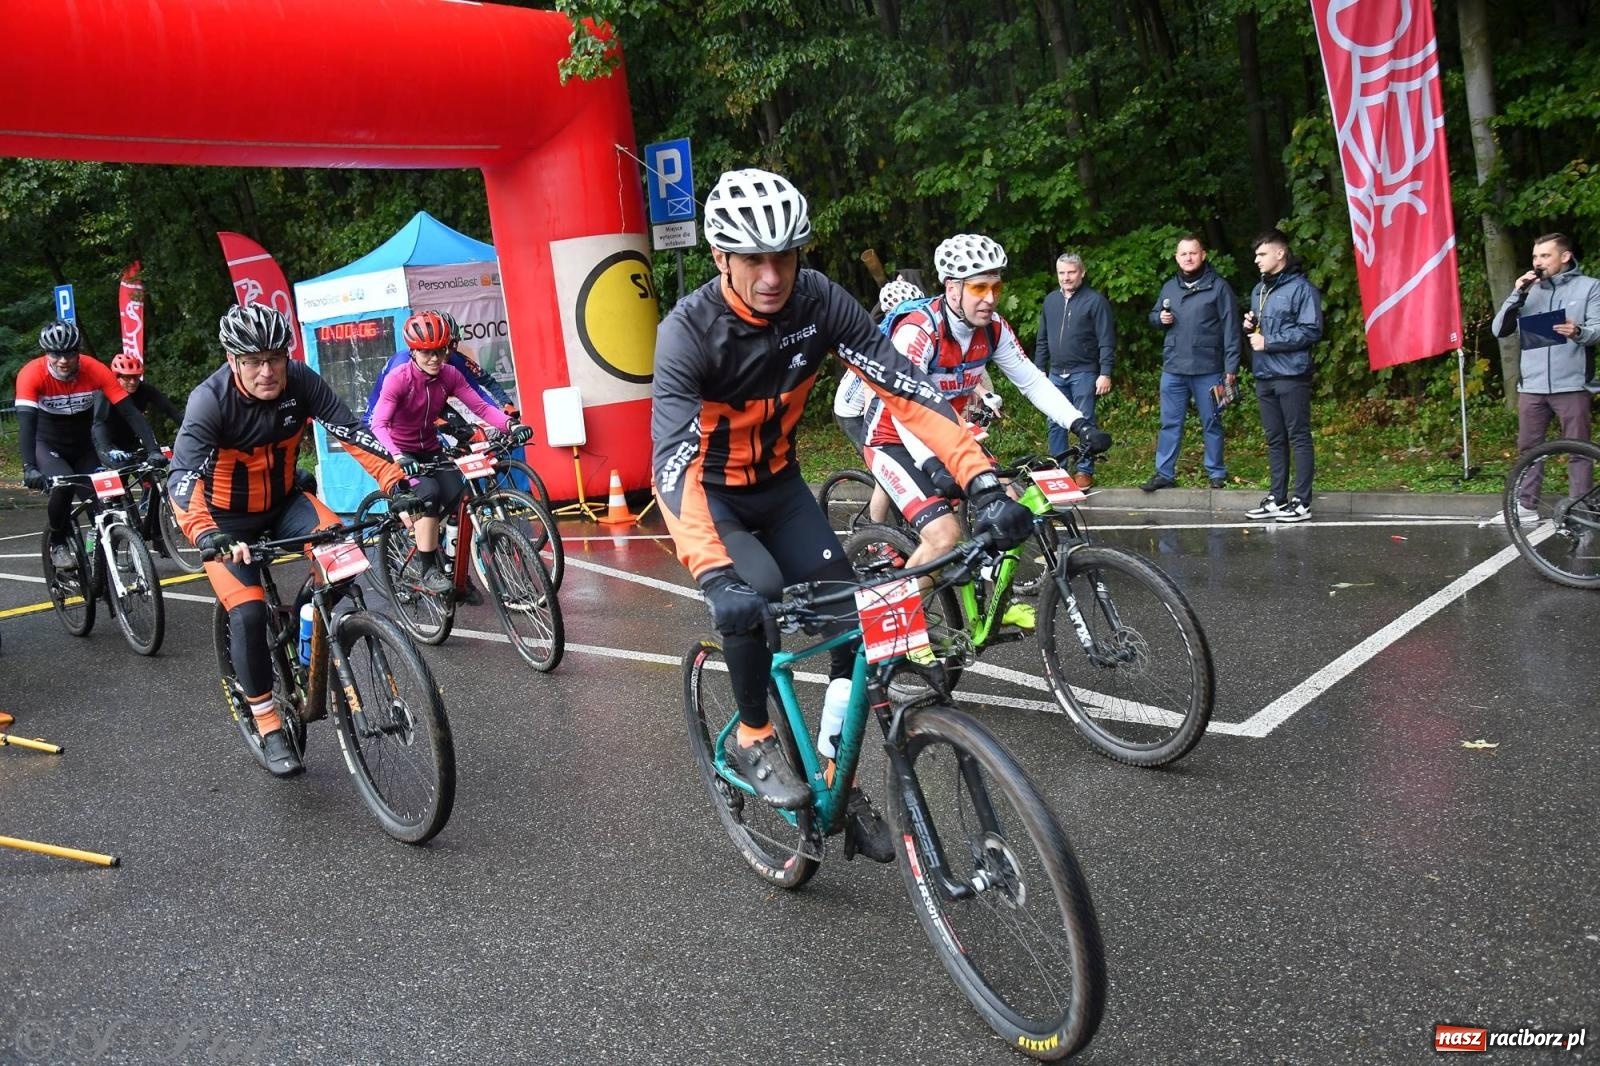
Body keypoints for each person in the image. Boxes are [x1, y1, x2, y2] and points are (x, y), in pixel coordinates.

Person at [652, 168, 1034, 855]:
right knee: (757, 596)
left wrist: (980, 483)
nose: (773, 275)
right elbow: (672, 464)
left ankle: (836, 775)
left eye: (786, 256)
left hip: (782, 488)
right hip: (715, 499)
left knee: (850, 622)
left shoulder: (819, 301)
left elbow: (905, 388)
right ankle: (752, 736)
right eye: (754, 260)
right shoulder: (689, 332)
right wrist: (713, 574)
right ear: (720, 259)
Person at [170, 304, 410, 778]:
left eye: (275, 359)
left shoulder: (300, 381)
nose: (267, 371)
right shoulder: (210, 400)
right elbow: (182, 477)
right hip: (225, 521)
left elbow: (350, 431)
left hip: (284, 504)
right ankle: (267, 722)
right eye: (254, 361)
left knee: (344, 567)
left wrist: (397, 484)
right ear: (232, 359)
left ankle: (305, 630)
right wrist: (205, 533)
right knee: (249, 610)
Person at [858, 234, 1108, 578]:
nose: (990, 299)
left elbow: (1031, 381)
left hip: (947, 433)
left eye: (996, 288)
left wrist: (1079, 423)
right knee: (944, 536)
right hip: (894, 437)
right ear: (952, 288)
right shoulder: (918, 332)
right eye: (979, 288)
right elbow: (905, 409)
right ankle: (889, 625)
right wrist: (932, 464)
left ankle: (988, 609)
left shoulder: (993, 329)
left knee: (1009, 503)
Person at [368, 309, 529, 594]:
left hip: (429, 446)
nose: (434, 358)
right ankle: (428, 567)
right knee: (428, 494)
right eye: (426, 352)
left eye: (440, 351)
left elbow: (480, 406)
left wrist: (510, 426)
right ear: (413, 351)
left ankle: (453, 568)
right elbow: (378, 424)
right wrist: (398, 456)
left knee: (459, 492)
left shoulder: (450, 373)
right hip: (399, 449)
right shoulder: (399, 377)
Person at [15, 320, 167, 570]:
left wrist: (153, 449)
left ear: (78, 352)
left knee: (106, 498)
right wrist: (29, 466)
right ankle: (58, 540)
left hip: (85, 446)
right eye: (56, 354)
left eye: (70, 353)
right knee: (63, 484)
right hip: (48, 444)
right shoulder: (31, 374)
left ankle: (104, 557)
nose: (63, 360)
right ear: (46, 354)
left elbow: (131, 413)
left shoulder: (94, 369)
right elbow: (27, 426)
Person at [1490, 232, 1600, 523]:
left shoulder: (1589, 287)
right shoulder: (1529, 291)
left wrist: (1578, 332)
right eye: (1536, 256)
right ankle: (1525, 506)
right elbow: (1499, 330)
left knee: (1578, 449)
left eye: (1545, 256)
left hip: (1572, 384)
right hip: (1533, 386)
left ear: (1564, 257)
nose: (1538, 262)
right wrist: (1518, 293)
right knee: (1529, 448)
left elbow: (1597, 330)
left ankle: (1580, 508)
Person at [1144, 235, 1242, 492]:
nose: (1188, 258)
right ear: (1176, 258)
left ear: (1203, 255)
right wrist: (1159, 319)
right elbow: (1154, 316)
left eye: (1193, 253)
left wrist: (1231, 368)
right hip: (1173, 368)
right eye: (1183, 254)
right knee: (1169, 423)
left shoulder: (1219, 287)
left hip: (1209, 369)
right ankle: (1164, 473)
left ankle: (1216, 472)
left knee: (1212, 421)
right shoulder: (1169, 287)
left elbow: (1232, 330)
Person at [1241, 230, 1323, 523]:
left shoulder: (1302, 289)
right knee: (1274, 438)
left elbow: (1311, 330)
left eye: (1262, 254)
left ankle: (1302, 501)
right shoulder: (1259, 289)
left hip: (1292, 374)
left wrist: (1269, 341)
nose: (1256, 260)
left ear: (1280, 253)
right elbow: (1261, 329)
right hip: (1264, 373)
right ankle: (1277, 497)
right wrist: (1251, 327)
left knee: (1297, 436)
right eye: (1255, 255)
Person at [831, 276, 925, 527]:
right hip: (854, 411)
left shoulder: (914, 334)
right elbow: (871, 389)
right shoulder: (881, 339)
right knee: (887, 469)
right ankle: (876, 534)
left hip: (880, 405)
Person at [1034, 252, 1115, 485]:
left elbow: (1106, 339)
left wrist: (1105, 372)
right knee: (1054, 421)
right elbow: (1043, 337)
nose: (1066, 277)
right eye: (1062, 273)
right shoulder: (1051, 301)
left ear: (1082, 273)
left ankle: (1084, 470)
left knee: (1084, 421)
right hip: (1055, 372)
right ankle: (1058, 469)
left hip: (1085, 372)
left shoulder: (1095, 301)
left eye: (1071, 272)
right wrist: (1039, 368)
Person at [364, 308, 515, 418]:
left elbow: (479, 391)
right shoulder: (402, 364)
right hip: (389, 416)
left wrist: (504, 412)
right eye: (436, 349)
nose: (444, 355)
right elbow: (412, 412)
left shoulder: (455, 358)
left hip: (429, 406)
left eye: (451, 346)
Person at [91, 353, 184, 466]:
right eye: (127, 377)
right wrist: (108, 450)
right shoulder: (105, 393)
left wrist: (191, 431)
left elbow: (172, 411)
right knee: (124, 465)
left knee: (153, 469)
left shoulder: (145, 389)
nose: (132, 382)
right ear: (116, 377)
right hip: (107, 440)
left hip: (130, 440)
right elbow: (99, 424)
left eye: (136, 377)